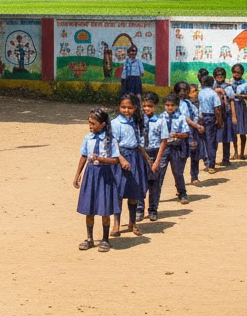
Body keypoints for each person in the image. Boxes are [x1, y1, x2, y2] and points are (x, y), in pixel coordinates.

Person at [73, 107, 121, 252]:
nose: (90, 126)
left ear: (103, 124)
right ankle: (89, 238)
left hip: (105, 175)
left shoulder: (110, 140)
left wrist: (101, 159)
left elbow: (116, 160)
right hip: (91, 174)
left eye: (93, 123)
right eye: (89, 123)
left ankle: (105, 239)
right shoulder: (88, 138)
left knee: (105, 208)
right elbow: (83, 156)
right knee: (90, 207)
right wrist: (77, 175)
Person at [110, 93, 148, 237]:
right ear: (119, 107)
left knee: (134, 192)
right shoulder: (115, 123)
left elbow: (138, 143)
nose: (126, 110)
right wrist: (121, 159)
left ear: (135, 108)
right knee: (118, 192)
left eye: (129, 107)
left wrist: (146, 159)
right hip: (120, 159)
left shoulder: (136, 122)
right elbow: (112, 145)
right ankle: (116, 224)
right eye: (123, 107)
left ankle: (133, 222)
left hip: (135, 158)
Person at [139, 93, 172, 222]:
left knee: (155, 184)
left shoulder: (160, 120)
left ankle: (153, 209)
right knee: (141, 183)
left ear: (155, 106)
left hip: (156, 153)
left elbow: (164, 140)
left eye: (150, 106)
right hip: (142, 153)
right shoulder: (138, 120)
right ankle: (139, 209)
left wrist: (157, 160)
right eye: (144, 106)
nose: (147, 108)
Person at [155, 93, 191, 206]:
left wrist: (176, 135)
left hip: (176, 147)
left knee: (177, 172)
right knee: (159, 172)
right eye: (167, 105)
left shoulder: (181, 118)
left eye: (172, 105)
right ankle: (155, 196)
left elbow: (186, 134)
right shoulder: (160, 117)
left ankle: (182, 193)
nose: (169, 107)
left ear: (177, 105)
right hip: (164, 148)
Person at [176, 81, 205, 187]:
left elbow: (195, 114)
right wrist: (196, 125)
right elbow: (185, 118)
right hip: (180, 134)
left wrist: (197, 124)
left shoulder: (188, 103)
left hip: (192, 132)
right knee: (182, 158)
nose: (182, 92)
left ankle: (194, 176)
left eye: (185, 90)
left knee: (194, 155)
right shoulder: (174, 103)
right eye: (180, 90)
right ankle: (179, 181)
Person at [212, 67, 237, 167]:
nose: (219, 77)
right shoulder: (212, 86)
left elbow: (231, 102)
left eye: (221, 76)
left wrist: (234, 116)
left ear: (224, 76)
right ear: (214, 77)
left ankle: (226, 159)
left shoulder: (228, 88)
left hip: (226, 115)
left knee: (226, 137)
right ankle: (212, 160)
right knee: (215, 139)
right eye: (217, 76)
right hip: (215, 115)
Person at [197, 76, 220, 173]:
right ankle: (211, 164)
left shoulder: (200, 93)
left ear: (203, 83)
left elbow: (199, 106)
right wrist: (219, 120)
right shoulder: (213, 94)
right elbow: (217, 109)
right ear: (212, 84)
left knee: (203, 140)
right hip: (211, 117)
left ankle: (206, 161)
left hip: (202, 118)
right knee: (211, 141)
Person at [230, 63, 247, 160]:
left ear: (242, 73)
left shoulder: (245, 84)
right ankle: (235, 152)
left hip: (240, 107)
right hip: (231, 107)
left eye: (238, 72)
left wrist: (239, 96)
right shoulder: (229, 83)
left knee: (242, 132)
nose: (236, 74)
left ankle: (242, 153)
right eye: (234, 72)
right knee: (233, 131)